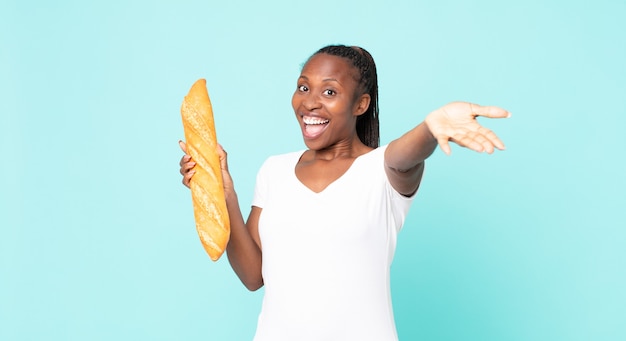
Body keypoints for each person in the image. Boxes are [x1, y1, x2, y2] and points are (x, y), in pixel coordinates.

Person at [178, 45, 510, 341]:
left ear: (360, 104)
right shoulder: (274, 170)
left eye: (329, 92)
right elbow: (253, 276)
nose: (310, 102)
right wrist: (225, 194)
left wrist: (429, 127)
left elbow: (403, 154)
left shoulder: (383, 170)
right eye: (304, 87)